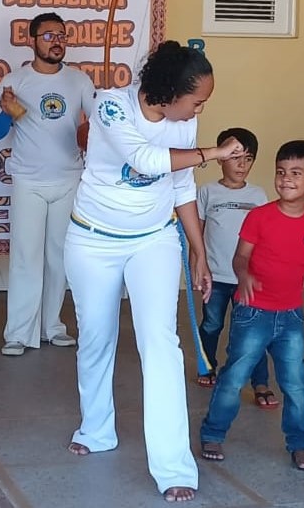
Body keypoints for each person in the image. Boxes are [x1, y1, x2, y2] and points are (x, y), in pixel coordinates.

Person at [63, 40, 246, 503]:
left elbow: (181, 184)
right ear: (168, 92)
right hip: (93, 240)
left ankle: (173, 466)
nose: (200, 110)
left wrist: (199, 252)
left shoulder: (184, 122)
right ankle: (96, 429)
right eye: (197, 101)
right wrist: (215, 152)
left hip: (154, 240)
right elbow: (145, 160)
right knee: (96, 337)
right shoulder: (111, 107)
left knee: (161, 345)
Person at [200, 140, 304, 470]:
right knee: (234, 377)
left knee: (296, 383)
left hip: (291, 316)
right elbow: (240, 257)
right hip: (253, 313)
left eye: (296, 172)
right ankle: (213, 433)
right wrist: (244, 275)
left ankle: (300, 443)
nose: (286, 179)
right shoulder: (259, 217)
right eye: (281, 172)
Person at [0, 12, 96, 356]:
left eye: (61, 35)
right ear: (31, 41)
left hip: (69, 180)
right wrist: (8, 112)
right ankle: (19, 333)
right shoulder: (14, 81)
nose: (56, 42)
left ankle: (52, 326)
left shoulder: (79, 81)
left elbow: (99, 126)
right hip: (28, 181)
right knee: (25, 258)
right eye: (48, 36)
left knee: (59, 258)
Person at [196, 127, 279, 409]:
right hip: (216, 277)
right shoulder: (207, 192)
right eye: (235, 157)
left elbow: (265, 237)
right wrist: (198, 266)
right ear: (221, 158)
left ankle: (260, 383)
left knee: (252, 331)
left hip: (248, 279)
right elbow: (198, 234)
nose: (242, 165)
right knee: (212, 324)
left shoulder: (258, 195)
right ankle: (207, 366)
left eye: (248, 159)